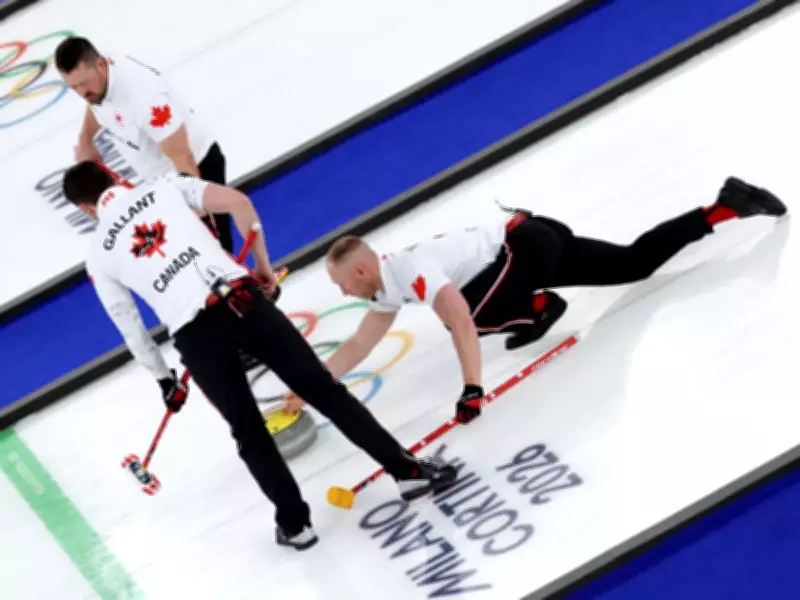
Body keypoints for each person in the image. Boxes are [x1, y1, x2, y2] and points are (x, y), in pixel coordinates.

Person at [61, 161, 458, 551]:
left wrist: (164, 378)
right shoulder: (165, 186)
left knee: (249, 430)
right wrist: (263, 269)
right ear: (112, 176)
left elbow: (126, 322)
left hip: (195, 335)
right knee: (323, 389)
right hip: (241, 299)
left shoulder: (98, 255)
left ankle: (295, 524)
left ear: (85, 209)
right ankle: (408, 472)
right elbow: (239, 203)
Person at [282, 176, 788, 424]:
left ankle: (541, 309)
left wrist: (472, 389)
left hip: (525, 247)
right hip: (535, 237)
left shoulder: (411, 271)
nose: (342, 293)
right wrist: (309, 387)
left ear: (362, 271)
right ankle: (725, 207)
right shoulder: (386, 288)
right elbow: (360, 345)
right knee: (632, 263)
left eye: (341, 283)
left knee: (463, 316)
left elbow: (461, 321)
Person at [55, 36, 234, 252]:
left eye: (83, 83)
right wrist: (86, 140)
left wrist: (200, 219)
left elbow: (182, 156)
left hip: (195, 170)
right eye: (73, 87)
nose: (81, 92)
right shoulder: (98, 82)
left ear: (101, 65)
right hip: (159, 181)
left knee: (215, 251)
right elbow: (96, 104)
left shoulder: (145, 99)